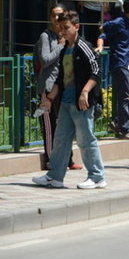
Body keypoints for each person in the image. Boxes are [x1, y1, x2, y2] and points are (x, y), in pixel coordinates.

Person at [32, 11, 106, 189]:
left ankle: (97, 177)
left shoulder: (84, 46)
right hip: (66, 101)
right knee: (61, 139)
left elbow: (96, 70)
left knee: (86, 139)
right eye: (60, 27)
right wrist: (49, 98)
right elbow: (61, 78)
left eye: (66, 28)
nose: (62, 31)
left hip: (81, 102)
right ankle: (55, 176)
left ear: (77, 27)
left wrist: (85, 92)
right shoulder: (65, 48)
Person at [33, 5, 82, 170]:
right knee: (50, 125)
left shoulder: (67, 35)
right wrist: (61, 45)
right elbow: (45, 59)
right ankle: (50, 160)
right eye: (54, 15)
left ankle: (67, 159)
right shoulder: (46, 36)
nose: (57, 19)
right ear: (50, 18)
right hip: (48, 86)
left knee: (65, 125)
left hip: (64, 86)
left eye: (60, 15)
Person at [102, 0, 129, 140]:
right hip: (120, 63)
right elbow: (103, 29)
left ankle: (118, 123)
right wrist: (101, 44)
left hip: (127, 64)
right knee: (124, 97)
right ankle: (124, 129)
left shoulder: (128, 24)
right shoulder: (119, 22)